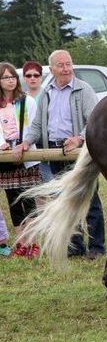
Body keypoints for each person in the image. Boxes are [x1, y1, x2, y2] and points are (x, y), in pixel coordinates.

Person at [15, 50, 106, 260]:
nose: (66, 68)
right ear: (52, 68)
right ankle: (75, 247)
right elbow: (37, 124)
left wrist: (78, 139)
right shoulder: (47, 91)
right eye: (61, 65)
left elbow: (94, 122)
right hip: (54, 154)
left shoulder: (84, 90)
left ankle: (97, 248)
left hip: (79, 154)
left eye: (68, 64)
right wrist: (26, 141)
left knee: (89, 199)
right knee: (64, 200)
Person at [0, 62, 41, 258]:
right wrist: (3, 145)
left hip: (26, 154)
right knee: (13, 200)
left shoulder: (27, 101)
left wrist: (23, 144)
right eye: (5, 77)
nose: (10, 81)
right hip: (5, 155)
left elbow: (34, 126)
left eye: (12, 77)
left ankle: (34, 242)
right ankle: (22, 242)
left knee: (29, 199)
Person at [22, 61, 53, 183]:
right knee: (36, 187)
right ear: (24, 78)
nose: (32, 78)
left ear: (41, 77)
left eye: (36, 75)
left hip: (47, 143)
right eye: (29, 75)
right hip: (28, 145)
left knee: (50, 183)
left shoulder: (49, 94)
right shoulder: (21, 99)